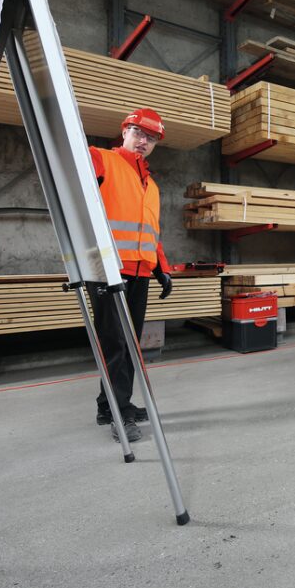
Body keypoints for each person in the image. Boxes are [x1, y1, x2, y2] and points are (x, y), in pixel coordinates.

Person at [91, 108, 173, 443]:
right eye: (139, 133)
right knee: (116, 345)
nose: (144, 142)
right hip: (109, 271)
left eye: (151, 138)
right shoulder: (100, 159)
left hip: (139, 272)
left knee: (129, 344)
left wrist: (162, 268)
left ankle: (105, 405)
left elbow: (150, 233)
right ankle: (118, 410)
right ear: (124, 131)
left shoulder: (150, 185)